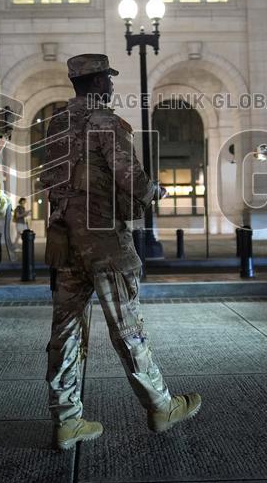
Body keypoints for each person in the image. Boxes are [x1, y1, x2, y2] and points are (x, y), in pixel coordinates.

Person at [38, 53, 202, 451]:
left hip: (64, 241)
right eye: (107, 80)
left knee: (65, 332)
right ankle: (161, 406)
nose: (111, 87)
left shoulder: (56, 125)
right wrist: (155, 191)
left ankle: (67, 420)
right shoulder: (105, 122)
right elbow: (132, 180)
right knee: (127, 328)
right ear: (96, 84)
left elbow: (50, 182)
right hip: (104, 242)